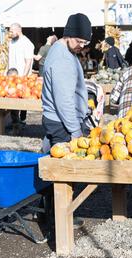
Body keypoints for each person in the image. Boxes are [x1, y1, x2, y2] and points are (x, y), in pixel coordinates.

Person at [41, 13, 93, 153]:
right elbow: (64, 100)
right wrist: (75, 130)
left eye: (85, 43)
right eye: (78, 41)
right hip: (62, 124)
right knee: (65, 170)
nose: (81, 46)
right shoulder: (63, 59)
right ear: (68, 34)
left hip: (58, 121)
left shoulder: (61, 48)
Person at [8, 23, 35, 126]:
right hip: (11, 75)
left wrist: (24, 75)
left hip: (22, 75)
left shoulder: (27, 43)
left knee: (23, 98)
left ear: (18, 30)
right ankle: (14, 121)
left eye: (11, 31)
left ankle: (22, 120)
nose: (10, 33)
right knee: (12, 97)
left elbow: (28, 61)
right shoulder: (11, 42)